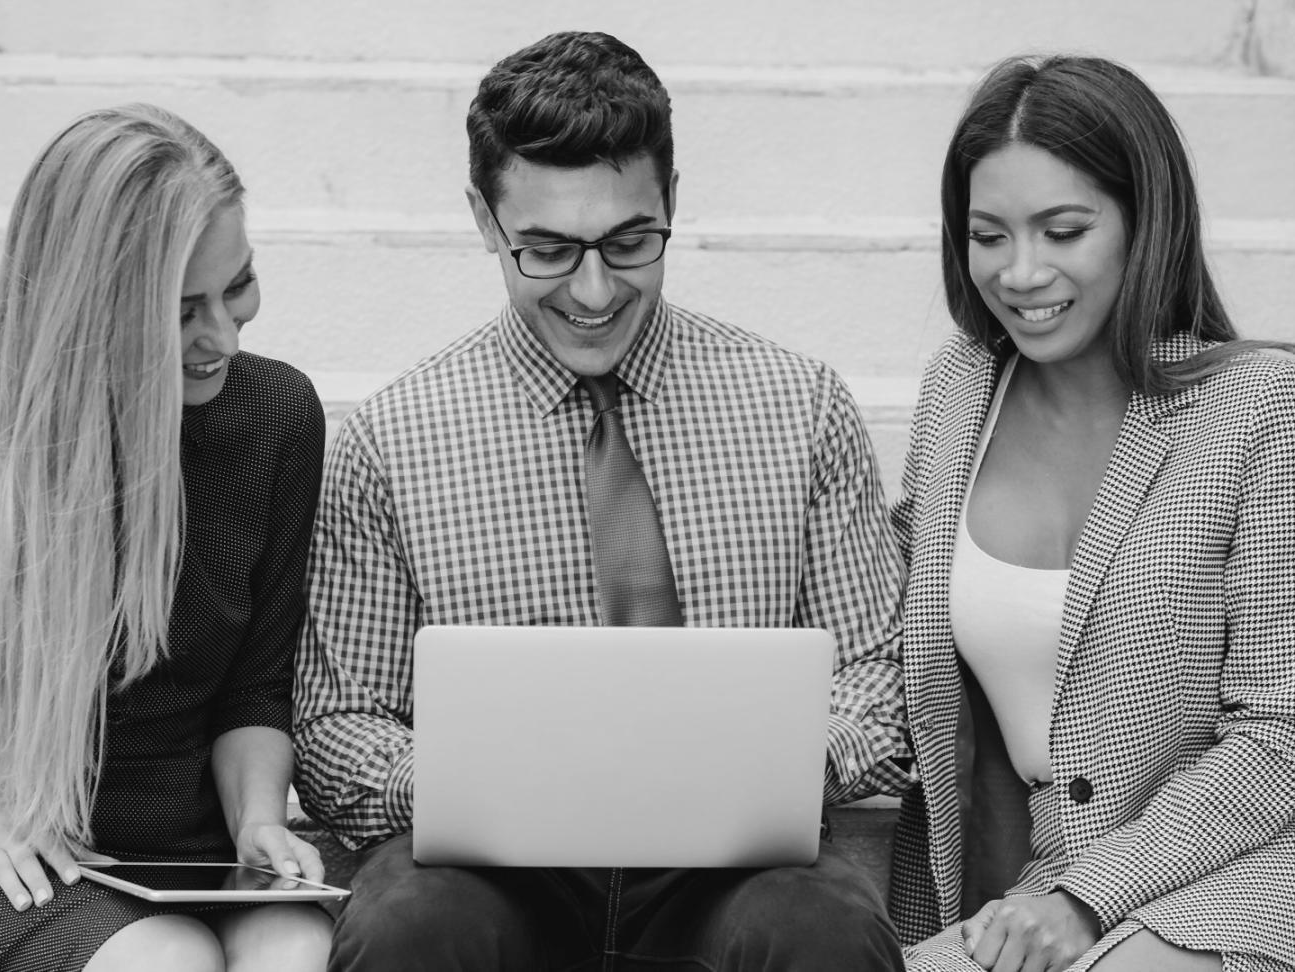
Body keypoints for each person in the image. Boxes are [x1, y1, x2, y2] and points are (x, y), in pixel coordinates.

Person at [292, 30, 911, 972]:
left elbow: (878, 668)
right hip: (496, 872)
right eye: (545, 249)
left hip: (734, 868)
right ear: (483, 219)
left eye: (629, 241)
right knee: (406, 928)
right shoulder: (393, 439)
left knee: (823, 929)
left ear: (673, 203)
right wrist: (471, 782)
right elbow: (338, 725)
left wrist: (788, 763)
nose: (592, 289)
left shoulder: (799, 405)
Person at [0, 104, 334, 971]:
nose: (222, 335)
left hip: (186, 857)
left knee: (294, 947)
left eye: (239, 286)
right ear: (88, 303)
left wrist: (259, 819)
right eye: (181, 311)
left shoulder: (275, 417)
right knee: (168, 963)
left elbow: (257, 687)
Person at [890, 54, 1295, 972]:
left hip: (1243, 863)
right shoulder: (960, 391)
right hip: (1039, 876)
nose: (1021, 273)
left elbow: (1282, 731)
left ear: (1144, 223)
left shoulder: (1262, 407)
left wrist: (1089, 897)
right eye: (987, 235)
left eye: (1063, 230)